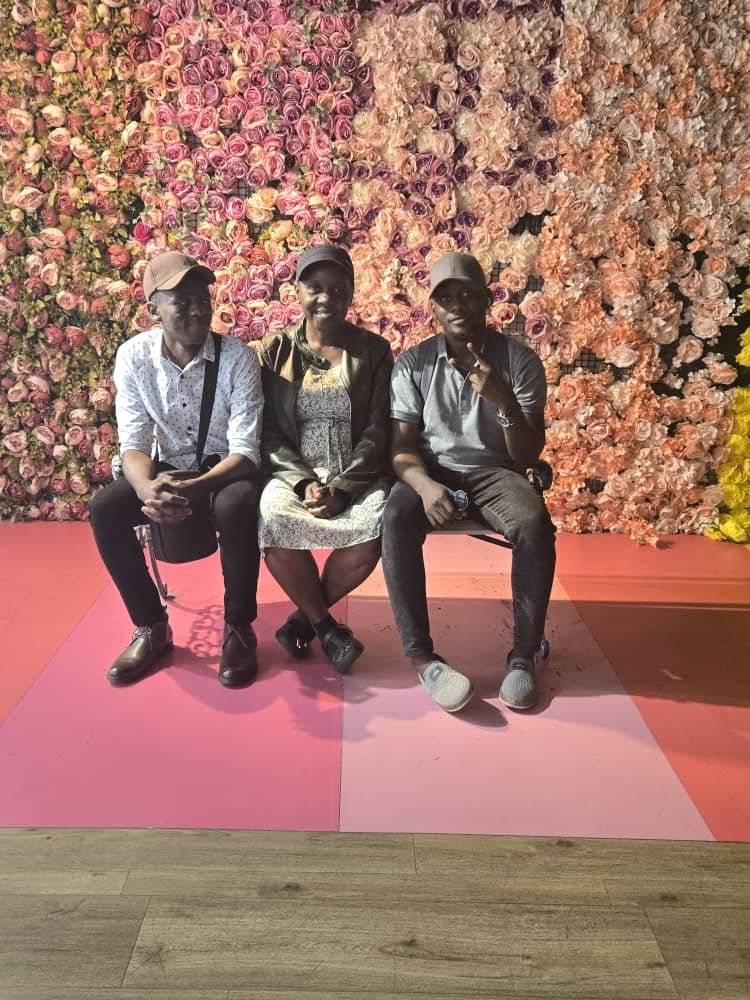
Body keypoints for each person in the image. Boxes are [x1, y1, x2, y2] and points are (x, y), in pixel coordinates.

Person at [381, 252, 556, 712]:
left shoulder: (519, 361)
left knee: (534, 523)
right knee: (395, 518)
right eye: (446, 298)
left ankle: (523, 657)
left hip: (497, 471)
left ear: (486, 299)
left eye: (467, 295)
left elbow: (527, 454)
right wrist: (424, 486)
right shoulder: (413, 364)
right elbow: (401, 448)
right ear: (433, 307)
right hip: (433, 470)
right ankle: (424, 661)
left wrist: (504, 402)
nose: (457, 305)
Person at [89, 251, 264, 688]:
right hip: (164, 468)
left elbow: (245, 451)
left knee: (238, 504)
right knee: (105, 509)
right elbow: (134, 442)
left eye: (203, 299)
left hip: (222, 470)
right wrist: (147, 489)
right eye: (182, 302)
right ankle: (151, 626)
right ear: (154, 310)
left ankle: (239, 627)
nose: (198, 310)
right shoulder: (134, 358)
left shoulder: (238, 358)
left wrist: (197, 487)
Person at [257, 244, 393, 674]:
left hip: (356, 472)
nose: (326, 298)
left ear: (351, 294)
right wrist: (303, 482)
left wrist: (344, 489)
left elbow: (379, 429)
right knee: (273, 520)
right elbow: (268, 432)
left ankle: (304, 621)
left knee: (375, 528)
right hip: (295, 472)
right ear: (297, 291)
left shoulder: (373, 350)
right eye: (315, 287)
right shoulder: (274, 351)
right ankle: (327, 629)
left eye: (337, 289)